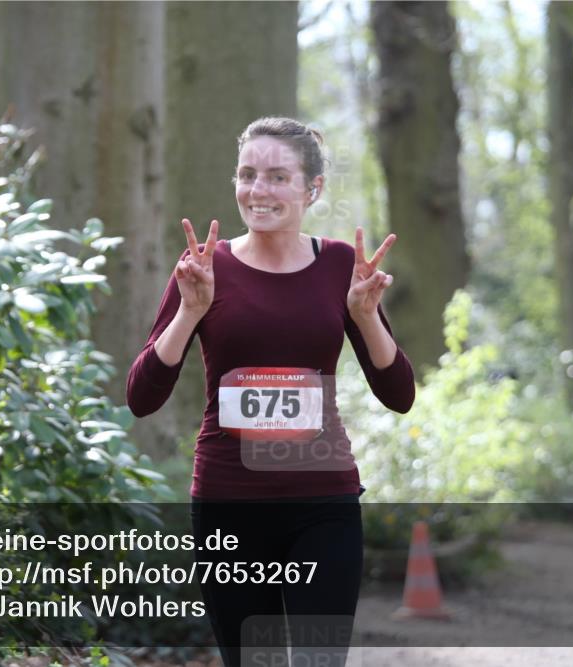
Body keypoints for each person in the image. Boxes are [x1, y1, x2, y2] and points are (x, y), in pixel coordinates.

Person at [126, 117, 415, 666]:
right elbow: (142, 396)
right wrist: (191, 311)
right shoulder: (207, 268)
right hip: (228, 506)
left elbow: (398, 394)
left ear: (313, 189)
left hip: (323, 504)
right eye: (247, 174)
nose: (258, 190)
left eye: (278, 177)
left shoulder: (338, 266)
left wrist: (365, 315)